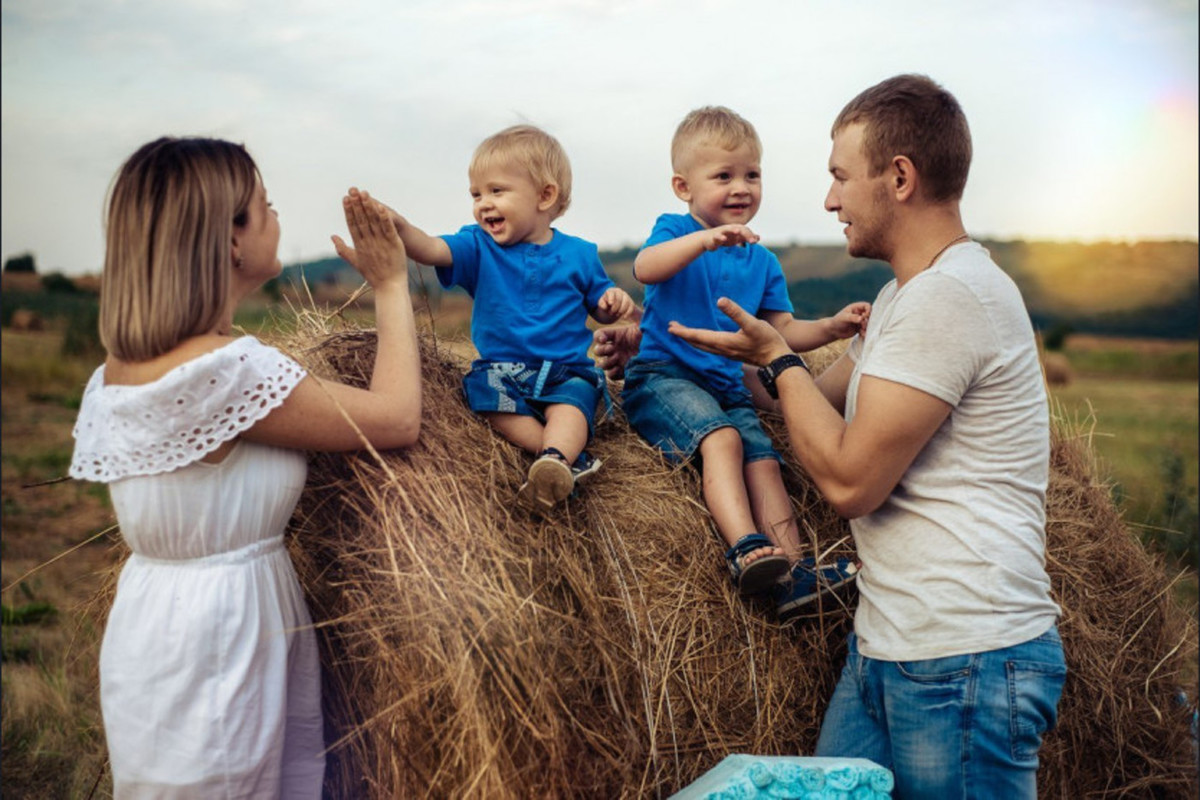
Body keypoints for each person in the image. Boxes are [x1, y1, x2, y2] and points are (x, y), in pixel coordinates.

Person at [669, 75, 1065, 798]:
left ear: (900, 178)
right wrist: (693, 364)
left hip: (964, 657)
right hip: (889, 646)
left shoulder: (950, 298)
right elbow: (803, 412)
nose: (829, 201)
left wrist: (780, 358)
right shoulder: (897, 301)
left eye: (840, 177)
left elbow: (850, 481)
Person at [69, 136, 423, 798]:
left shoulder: (121, 369)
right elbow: (398, 418)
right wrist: (392, 281)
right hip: (222, 643)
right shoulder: (228, 373)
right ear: (231, 241)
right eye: (266, 206)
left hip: (157, 629)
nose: (278, 217)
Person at [620, 105, 868, 619]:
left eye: (752, 174)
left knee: (765, 461)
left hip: (729, 388)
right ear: (683, 187)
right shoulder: (674, 230)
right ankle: (743, 547)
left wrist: (833, 327)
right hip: (664, 378)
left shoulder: (763, 261)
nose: (741, 187)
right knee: (724, 440)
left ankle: (796, 572)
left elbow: (784, 333)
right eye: (723, 176)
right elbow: (646, 269)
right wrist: (703, 240)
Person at [378, 124, 637, 512]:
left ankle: (556, 454)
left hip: (564, 370)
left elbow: (599, 305)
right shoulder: (477, 245)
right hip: (501, 370)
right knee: (485, 399)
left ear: (545, 195)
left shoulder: (580, 254)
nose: (483, 204)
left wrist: (612, 302)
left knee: (573, 405)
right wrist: (400, 228)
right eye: (476, 194)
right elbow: (432, 249)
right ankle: (558, 459)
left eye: (497, 191)